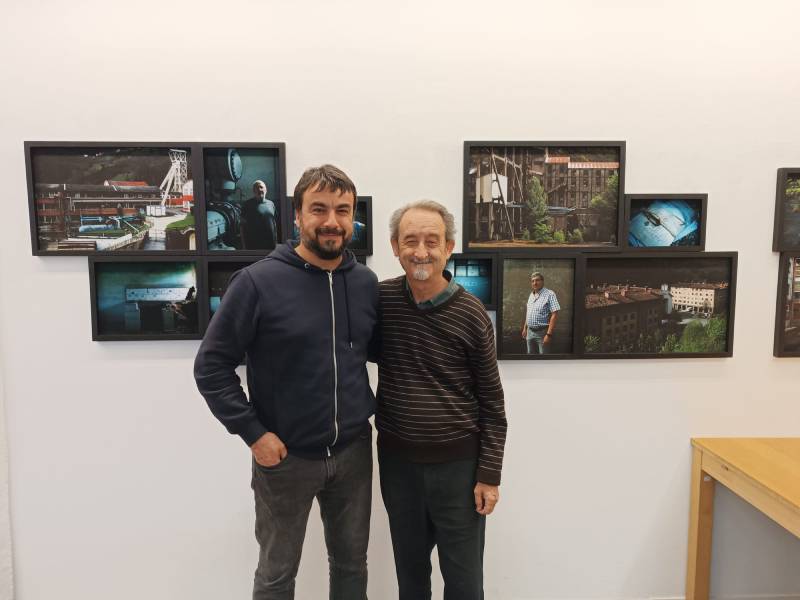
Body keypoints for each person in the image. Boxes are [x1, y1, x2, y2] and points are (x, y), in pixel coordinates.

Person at [193, 165, 378, 600]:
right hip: (285, 459)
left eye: (342, 210)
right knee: (277, 576)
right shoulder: (257, 283)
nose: (331, 221)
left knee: (352, 568)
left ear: (352, 217)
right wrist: (254, 434)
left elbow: (380, 352)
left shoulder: (366, 284)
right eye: (319, 209)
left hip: (353, 454)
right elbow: (211, 367)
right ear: (297, 215)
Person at [375, 199, 507, 600]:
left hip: (459, 470)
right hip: (399, 468)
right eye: (410, 241)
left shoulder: (470, 313)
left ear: (448, 247)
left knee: (465, 584)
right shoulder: (380, 302)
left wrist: (489, 475)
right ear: (394, 247)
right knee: (410, 580)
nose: (421, 251)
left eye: (432, 241)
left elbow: (493, 403)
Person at [521, 271, 560, 355]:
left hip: (542, 333)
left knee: (543, 360)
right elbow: (528, 312)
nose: (535, 283)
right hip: (529, 332)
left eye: (537, 280)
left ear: (542, 281)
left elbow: (554, 314)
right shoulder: (531, 295)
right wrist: (525, 328)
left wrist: (548, 335)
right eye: (533, 281)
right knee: (529, 357)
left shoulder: (550, 294)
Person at [241, 179, 277, 250]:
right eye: (256, 188)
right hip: (254, 247)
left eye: (261, 187)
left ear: (266, 190)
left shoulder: (271, 204)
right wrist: (244, 246)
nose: (259, 189)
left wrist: (276, 242)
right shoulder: (247, 205)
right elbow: (242, 227)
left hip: (270, 246)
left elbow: (274, 224)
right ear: (254, 191)